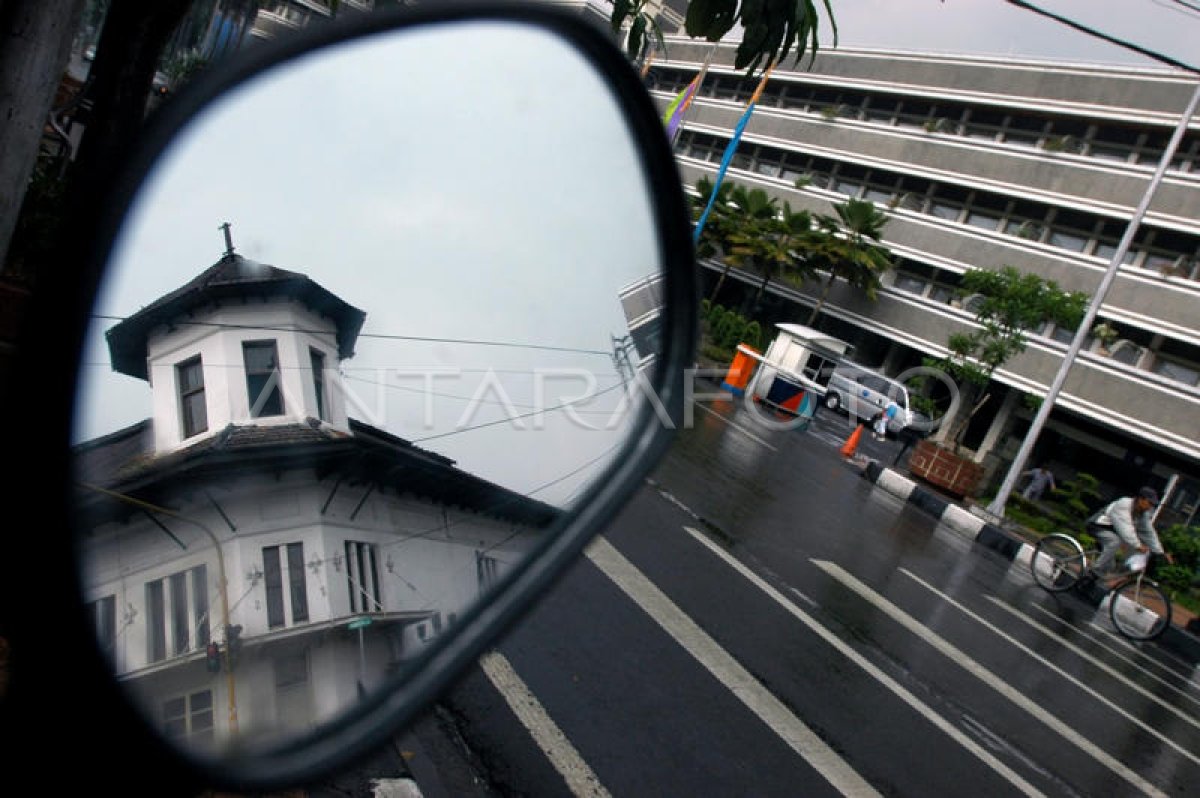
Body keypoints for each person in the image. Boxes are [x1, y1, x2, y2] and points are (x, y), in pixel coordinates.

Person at [1085, 486, 1172, 579]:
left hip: (1111, 533)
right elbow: (1125, 528)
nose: (1150, 507)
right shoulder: (1124, 504)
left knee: (1108, 566)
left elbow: (1148, 533)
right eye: (1149, 503)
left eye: (1152, 505)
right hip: (1097, 526)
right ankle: (1091, 573)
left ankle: (1088, 583)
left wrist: (1160, 552)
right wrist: (1138, 545)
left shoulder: (1143, 514)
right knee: (1114, 542)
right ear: (1140, 499)